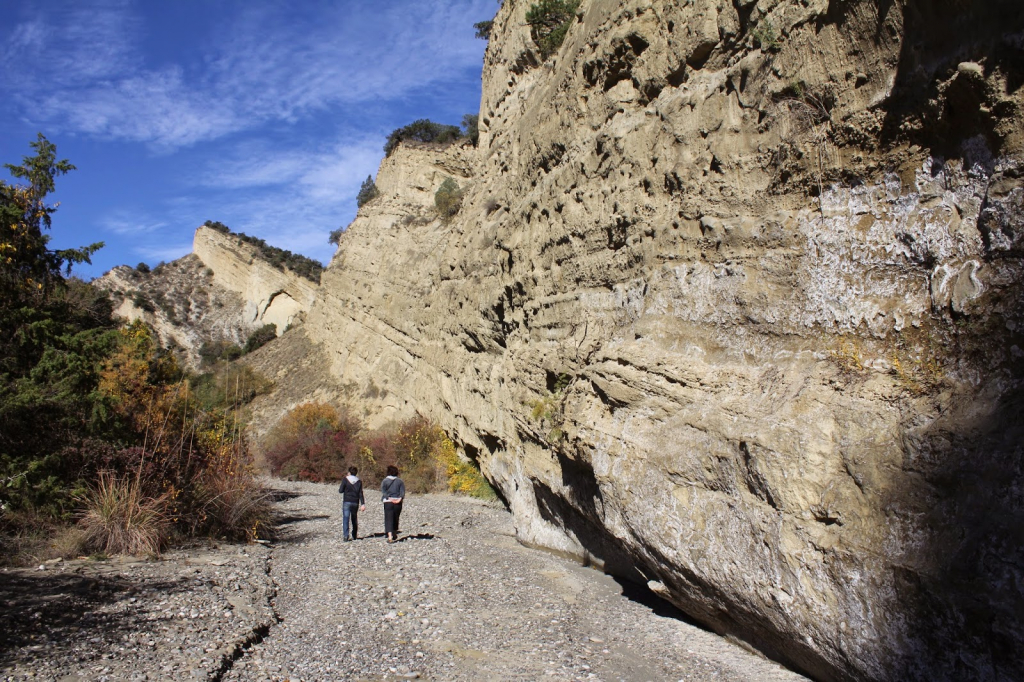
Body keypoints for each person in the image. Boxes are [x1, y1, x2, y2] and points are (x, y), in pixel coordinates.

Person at [338, 466, 366, 541]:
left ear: (349, 472)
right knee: (354, 518)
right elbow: (360, 493)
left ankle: (346, 535)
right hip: (355, 501)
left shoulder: (345, 479)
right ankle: (354, 534)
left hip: (347, 500)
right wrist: (363, 503)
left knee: (346, 518)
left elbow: (340, 490)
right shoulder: (359, 481)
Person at [381, 465, 405, 543]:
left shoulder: (385, 481)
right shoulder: (400, 481)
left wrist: (389, 498)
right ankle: (394, 531)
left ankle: (390, 536)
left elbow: (383, 491)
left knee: (388, 518)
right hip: (398, 502)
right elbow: (402, 492)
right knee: (395, 518)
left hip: (388, 502)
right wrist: (399, 499)